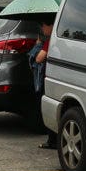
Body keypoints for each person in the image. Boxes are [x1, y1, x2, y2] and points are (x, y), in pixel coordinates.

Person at [32, 20, 56, 149]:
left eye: (44, 25)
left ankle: (52, 140)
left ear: (51, 25)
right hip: (56, 77)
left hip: (49, 78)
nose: (42, 28)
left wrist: (39, 45)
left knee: (48, 108)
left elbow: (38, 58)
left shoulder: (51, 41)